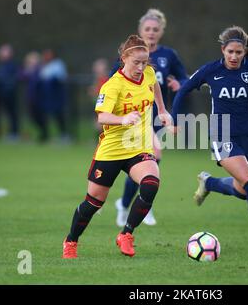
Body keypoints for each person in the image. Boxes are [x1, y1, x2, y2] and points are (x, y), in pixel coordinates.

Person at [171, 25, 248, 251]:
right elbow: (184, 90)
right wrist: (175, 120)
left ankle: (209, 182)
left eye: (239, 52)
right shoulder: (210, 70)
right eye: (230, 52)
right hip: (221, 132)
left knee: (244, 191)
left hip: (247, 134)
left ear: (245, 51)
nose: (234, 56)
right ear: (223, 50)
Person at [62, 35, 171, 258]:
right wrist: (122, 120)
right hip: (111, 151)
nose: (141, 67)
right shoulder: (113, 85)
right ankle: (71, 241)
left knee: (151, 184)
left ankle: (126, 234)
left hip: (138, 148)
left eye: (145, 62)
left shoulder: (148, 74)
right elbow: (101, 117)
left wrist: (161, 109)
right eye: (136, 62)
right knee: (93, 203)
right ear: (124, 58)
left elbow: (155, 85)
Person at [111, 9, 188, 227]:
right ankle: (144, 204)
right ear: (140, 30)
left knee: (142, 163)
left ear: (161, 32)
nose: (151, 33)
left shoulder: (168, 56)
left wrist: (179, 84)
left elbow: (184, 78)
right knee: (152, 155)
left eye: (155, 29)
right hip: (133, 117)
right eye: (147, 29)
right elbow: (112, 81)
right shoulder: (130, 54)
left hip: (155, 119)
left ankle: (126, 204)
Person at [39, 49, 69, 143]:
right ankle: (46, 135)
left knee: (59, 115)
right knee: (45, 116)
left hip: (57, 96)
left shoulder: (58, 64)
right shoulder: (44, 65)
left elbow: (61, 78)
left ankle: (64, 135)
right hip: (47, 96)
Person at [20, 51, 48, 143]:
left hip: (40, 98)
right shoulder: (27, 70)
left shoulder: (40, 69)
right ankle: (42, 133)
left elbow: (40, 80)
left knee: (40, 116)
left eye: (34, 59)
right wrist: (28, 70)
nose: (33, 61)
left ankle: (44, 134)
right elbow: (21, 76)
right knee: (32, 116)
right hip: (31, 97)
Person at [0, 44, 20, 141]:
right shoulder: (0, 66)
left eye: (4, 52)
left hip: (9, 94)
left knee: (11, 114)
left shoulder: (12, 65)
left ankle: (14, 134)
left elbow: (13, 79)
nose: (1, 54)